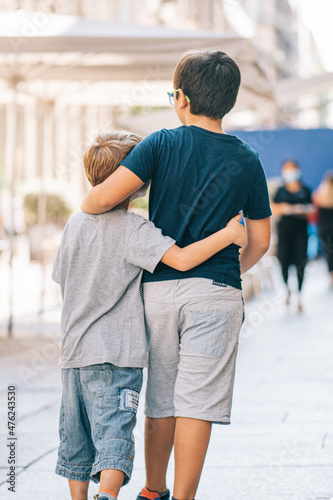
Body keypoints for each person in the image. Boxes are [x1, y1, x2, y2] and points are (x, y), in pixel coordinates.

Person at [82, 50, 272, 500]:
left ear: (181, 98)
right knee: (198, 402)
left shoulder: (160, 144)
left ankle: (152, 490)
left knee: (161, 399)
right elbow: (260, 241)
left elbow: (97, 201)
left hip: (160, 293)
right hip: (216, 294)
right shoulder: (248, 160)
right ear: (230, 100)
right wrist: (226, 276)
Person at [53, 130, 247, 500]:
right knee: (114, 431)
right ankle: (108, 496)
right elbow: (183, 259)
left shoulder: (74, 224)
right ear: (134, 181)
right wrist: (228, 234)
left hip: (72, 354)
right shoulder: (133, 229)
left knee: (76, 437)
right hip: (116, 355)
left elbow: (62, 279)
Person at [271, 160, 313, 311]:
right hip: (284, 232)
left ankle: (299, 295)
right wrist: (285, 208)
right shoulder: (280, 191)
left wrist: (301, 209)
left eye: (292, 169)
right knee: (283, 262)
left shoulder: (305, 190)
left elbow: (312, 209)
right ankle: (287, 289)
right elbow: (273, 207)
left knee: (301, 262)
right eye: (287, 169)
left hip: (301, 232)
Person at [312, 171, 333, 286]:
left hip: (324, 229)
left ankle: (331, 275)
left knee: (329, 253)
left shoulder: (319, 195)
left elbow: (314, 215)